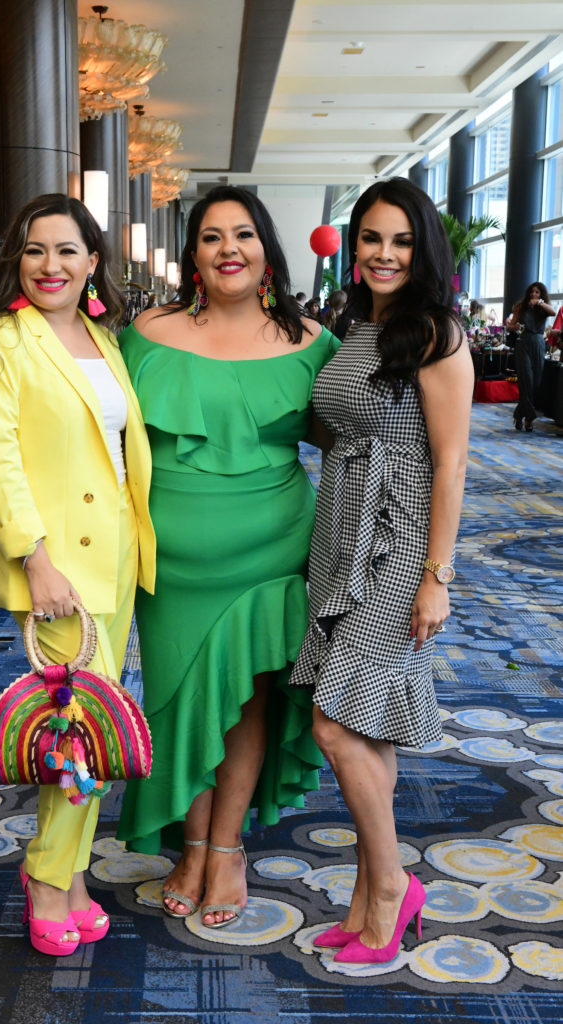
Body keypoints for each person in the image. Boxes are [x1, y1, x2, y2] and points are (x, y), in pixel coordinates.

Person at [116, 184, 340, 928]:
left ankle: (223, 850)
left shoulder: (312, 343)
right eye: (211, 237)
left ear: (267, 252)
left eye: (242, 234)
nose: (227, 249)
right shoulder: (145, 332)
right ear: (193, 256)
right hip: (168, 562)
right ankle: (189, 842)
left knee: (245, 699)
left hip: (271, 549)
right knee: (178, 699)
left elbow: (358, 446)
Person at [0, 193, 156, 956]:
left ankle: (67, 877)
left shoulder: (106, 341)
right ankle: (48, 876)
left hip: (116, 554)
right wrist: (34, 560)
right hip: (56, 564)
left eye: (67, 251)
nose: (51, 266)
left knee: (93, 720)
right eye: (36, 250)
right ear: (18, 258)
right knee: (76, 728)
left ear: (92, 261)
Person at [290, 177, 473, 964]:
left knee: (335, 719)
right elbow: (331, 425)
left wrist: (437, 574)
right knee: (366, 720)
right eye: (371, 238)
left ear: (422, 248)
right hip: (341, 526)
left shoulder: (437, 332)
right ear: (352, 244)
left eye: (400, 241)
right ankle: (369, 893)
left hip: (397, 540)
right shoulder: (357, 324)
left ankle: (394, 887)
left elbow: (452, 460)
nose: (383, 254)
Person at [505, 281, 556, 431]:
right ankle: (529, 418)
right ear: (528, 293)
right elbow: (509, 326)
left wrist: (539, 303)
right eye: (532, 292)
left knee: (535, 382)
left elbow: (553, 312)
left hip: (538, 344)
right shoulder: (521, 306)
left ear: (541, 295)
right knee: (526, 378)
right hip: (523, 343)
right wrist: (514, 327)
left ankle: (519, 415)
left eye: (537, 292)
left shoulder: (543, 308)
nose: (534, 294)